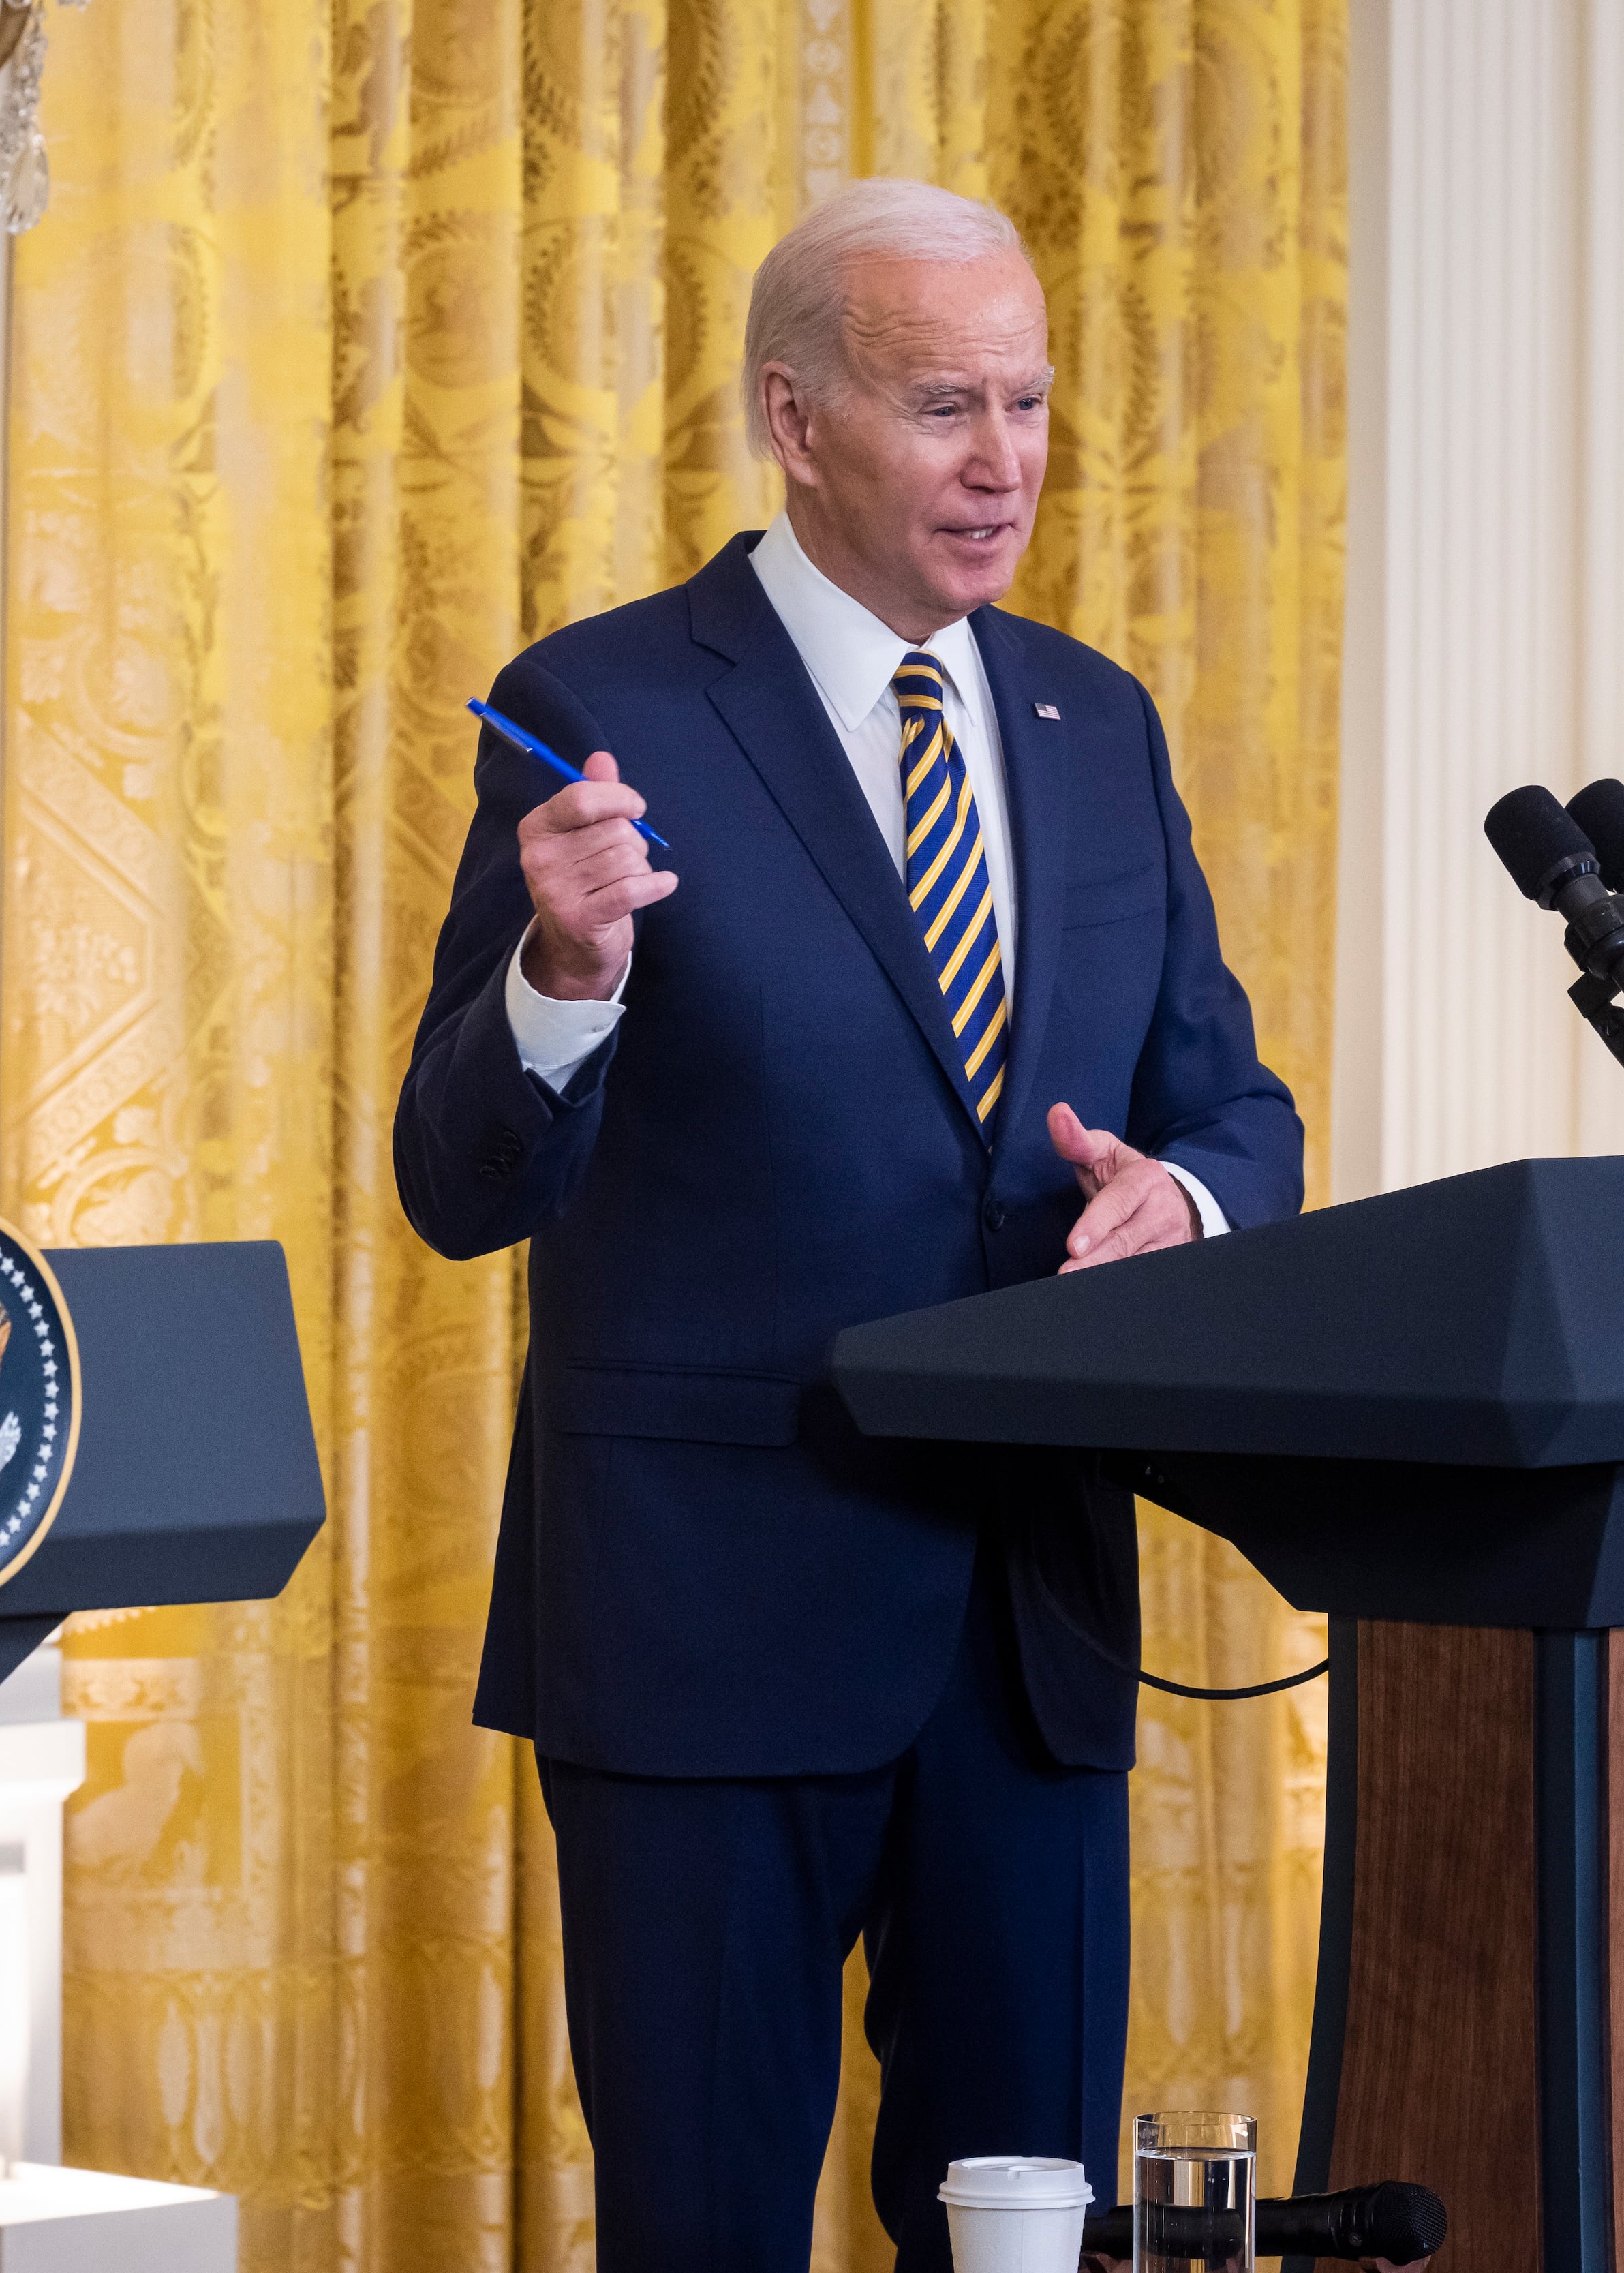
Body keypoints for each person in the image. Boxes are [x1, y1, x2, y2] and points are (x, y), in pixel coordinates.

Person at [393, 180, 1312, 2271]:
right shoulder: (600, 703)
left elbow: (1233, 1102)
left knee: (1028, 2233)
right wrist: (561, 979)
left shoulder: (1096, 718)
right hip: (709, 1629)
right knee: (707, 2231)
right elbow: (457, 1187)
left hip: (1030, 1634)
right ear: (798, 421)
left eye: (1032, 403)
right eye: (945, 408)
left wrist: (1186, 1194)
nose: (1007, 464)